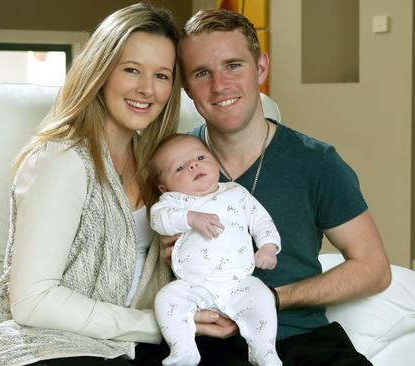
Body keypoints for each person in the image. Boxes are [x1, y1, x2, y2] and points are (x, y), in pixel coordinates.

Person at [167, 8, 393, 365]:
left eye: (234, 65)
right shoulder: (169, 164)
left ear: (261, 68)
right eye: (202, 73)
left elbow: (373, 268)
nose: (219, 85)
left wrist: (274, 298)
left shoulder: (316, 162)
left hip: (298, 337)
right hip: (206, 341)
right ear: (186, 86)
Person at [0, 4, 184, 365]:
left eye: (161, 75)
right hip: (49, 346)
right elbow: (32, 300)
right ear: (100, 72)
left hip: (124, 346)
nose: (147, 89)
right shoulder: (62, 159)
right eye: (131, 70)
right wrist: (158, 323)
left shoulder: (155, 167)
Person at [148, 134, 282, 366]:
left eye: (200, 157)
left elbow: (261, 221)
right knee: (167, 299)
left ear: (216, 163)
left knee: (262, 298)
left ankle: (264, 350)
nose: (193, 165)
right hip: (193, 284)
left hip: (238, 282)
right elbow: (158, 220)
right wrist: (189, 218)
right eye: (180, 168)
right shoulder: (175, 201)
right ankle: (184, 348)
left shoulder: (236, 193)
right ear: (165, 187)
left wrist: (268, 247)